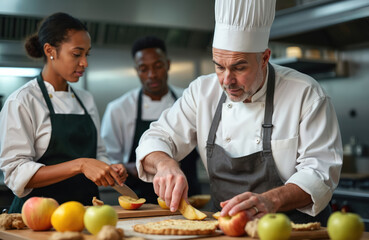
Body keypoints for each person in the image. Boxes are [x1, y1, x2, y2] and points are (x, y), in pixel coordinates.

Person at [135, 0, 343, 225]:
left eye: (239, 67)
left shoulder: (306, 94)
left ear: (264, 58)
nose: (226, 81)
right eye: (219, 66)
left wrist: (270, 200)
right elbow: (155, 139)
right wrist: (165, 164)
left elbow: (320, 174)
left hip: (295, 229)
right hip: (225, 230)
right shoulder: (202, 92)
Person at [0, 12, 127, 213]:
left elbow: (98, 153)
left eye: (87, 54)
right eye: (77, 54)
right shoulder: (23, 101)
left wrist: (108, 168)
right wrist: (80, 165)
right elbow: (16, 173)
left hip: (86, 213)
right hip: (38, 218)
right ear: (50, 51)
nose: (85, 63)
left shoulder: (86, 99)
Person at [101, 36, 201, 204]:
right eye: (143, 69)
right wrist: (129, 167)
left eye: (158, 66)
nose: (152, 75)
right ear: (136, 70)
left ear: (168, 65)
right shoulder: (119, 109)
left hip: (187, 196)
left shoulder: (189, 101)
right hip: (138, 200)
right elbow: (108, 159)